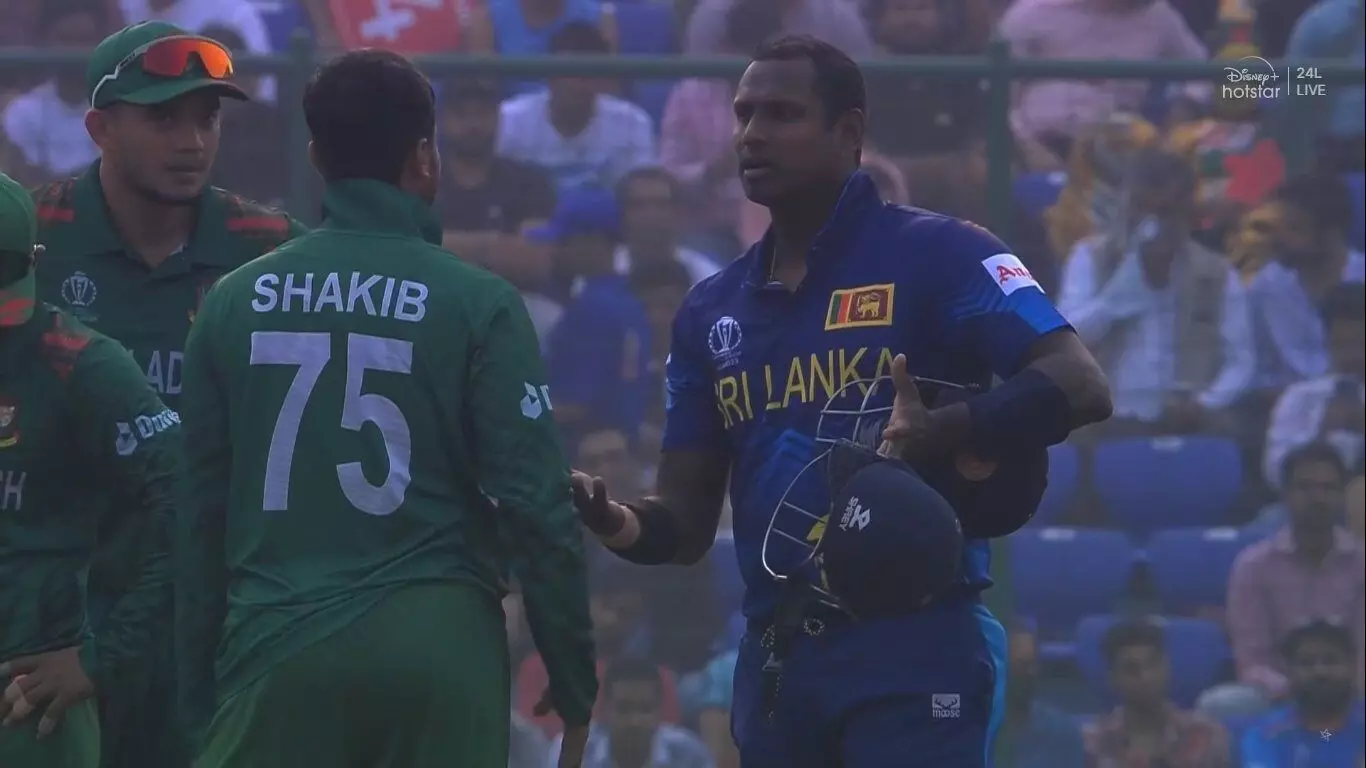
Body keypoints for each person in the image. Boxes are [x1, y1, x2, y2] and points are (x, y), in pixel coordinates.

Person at [566, 36, 1113, 767]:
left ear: (848, 131)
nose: (752, 134)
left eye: (782, 114)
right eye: (744, 114)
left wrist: (945, 428)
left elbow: (1081, 382)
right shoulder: (709, 309)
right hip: (779, 657)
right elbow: (687, 526)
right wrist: (620, 522)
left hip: (916, 639)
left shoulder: (942, 253)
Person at [175, 49, 596, 768]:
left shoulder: (231, 302)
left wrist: (196, 699)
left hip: (277, 648)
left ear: (316, 156)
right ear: (424, 157)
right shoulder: (482, 302)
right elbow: (536, 504)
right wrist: (572, 668)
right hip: (437, 650)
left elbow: (197, 520)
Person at [29, 22, 307, 768]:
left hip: (219, 618)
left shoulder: (272, 248)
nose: (192, 142)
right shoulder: (33, 238)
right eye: (163, 118)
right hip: (56, 619)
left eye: (207, 118)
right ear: (100, 129)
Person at [0, 172, 180, 767]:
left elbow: (186, 502)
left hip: (27, 704)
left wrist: (100, 658)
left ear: (35, 261)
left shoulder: (80, 363)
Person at [1237, 619, 1364, 766]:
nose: (1320, 671)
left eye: (1330, 661)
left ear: (1352, 667)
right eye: (1307, 663)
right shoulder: (1266, 734)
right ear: (1289, 671)